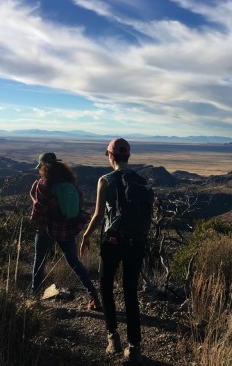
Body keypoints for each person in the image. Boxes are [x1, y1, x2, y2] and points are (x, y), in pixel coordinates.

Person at [80, 138, 145, 365]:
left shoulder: (105, 180)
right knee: (130, 292)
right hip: (136, 243)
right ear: (128, 156)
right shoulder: (142, 182)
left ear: (110, 156)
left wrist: (86, 236)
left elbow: (98, 215)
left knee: (106, 287)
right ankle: (134, 348)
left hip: (112, 241)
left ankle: (112, 338)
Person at [30, 152, 101, 310]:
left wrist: (32, 197)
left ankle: (33, 297)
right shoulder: (70, 183)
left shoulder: (43, 184)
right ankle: (93, 295)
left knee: (39, 261)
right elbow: (80, 202)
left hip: (47, 230)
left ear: (43, 166)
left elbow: (39, 209)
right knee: (74, 262)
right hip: (67, 229)